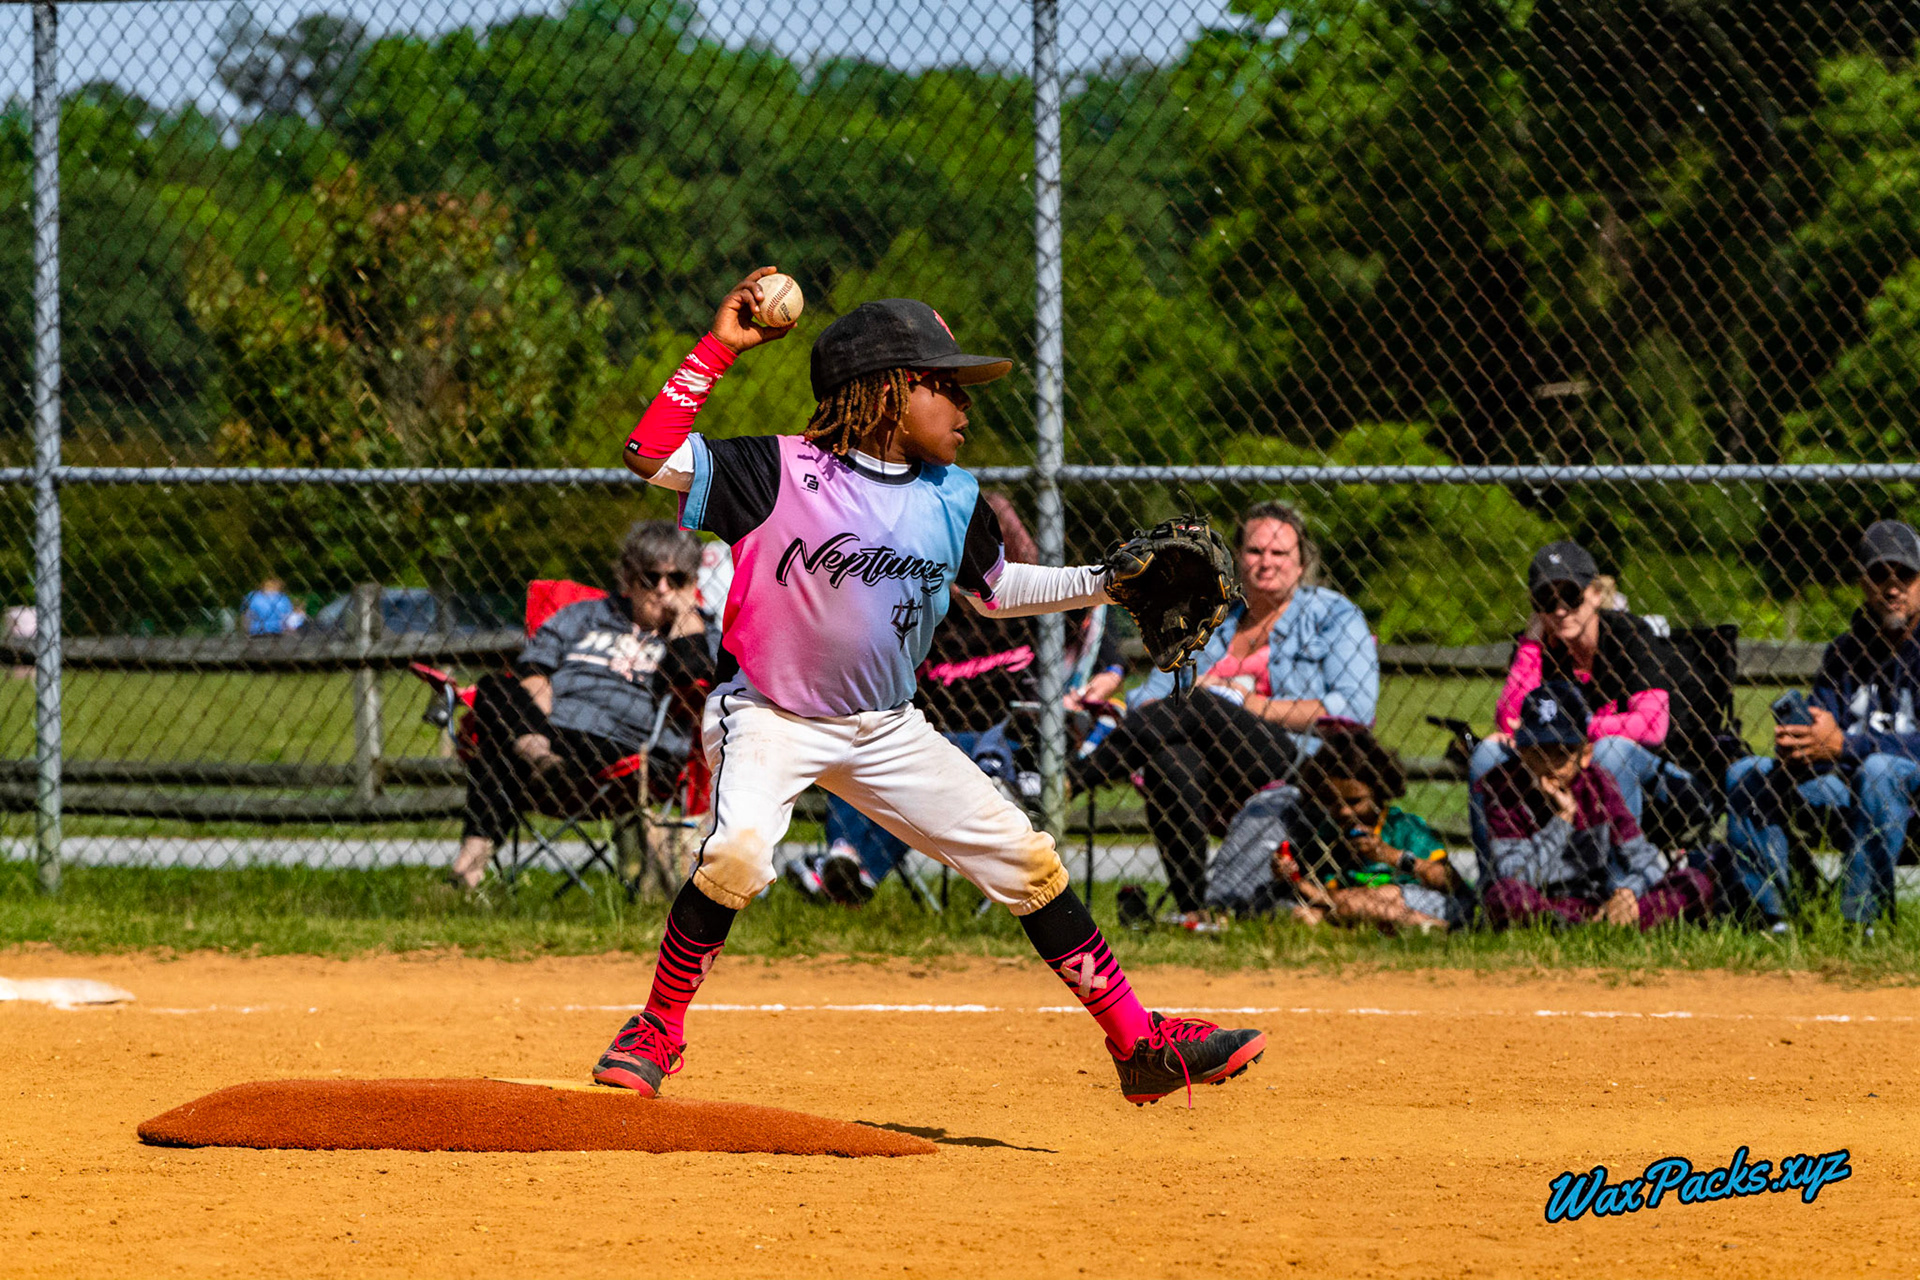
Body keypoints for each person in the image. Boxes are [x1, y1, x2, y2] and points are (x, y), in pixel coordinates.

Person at [598, 267, 1265, 1106]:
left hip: (884, 727)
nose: (966, 407)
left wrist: (1108, 581)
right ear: (887, 392)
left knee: (1026, 860)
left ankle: (1140, 1044)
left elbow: (994, 593)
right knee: (736, 852)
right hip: (769, 713)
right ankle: (657, 1026)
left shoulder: (953, 496)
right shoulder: (777, 470)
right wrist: (721, 348)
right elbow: (648, 453)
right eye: (946, 388)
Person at [1067, 501, 1378, 917]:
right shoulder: (1211, 618)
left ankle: (1069, 782)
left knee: (1198, 700)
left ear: (1302, 563)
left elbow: (1352, 710)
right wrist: (1207, 702)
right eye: (1254, 552)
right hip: (1217, 774)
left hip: (1300, 766)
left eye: (1279, 553)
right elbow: (1148, 700)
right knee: (1171, 759)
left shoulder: (1334, 616)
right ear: (1236, 559)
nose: (1265, 563)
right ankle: (1198, 911)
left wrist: (1248, 704)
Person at [786, 491, 1071, 906]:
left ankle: (849, 869)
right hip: (925, 731)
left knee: (919, 777)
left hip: (999, 742)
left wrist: (1001, 542)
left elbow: (1094, 636)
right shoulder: (926, 612)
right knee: (864, 748)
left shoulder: (1027, 615)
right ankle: (847, 860)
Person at [448, 521, 717, 891]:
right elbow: (533, 670)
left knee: (500, 750)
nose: (662, 590)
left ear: (692, 583)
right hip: (552, 735)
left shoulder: (702, 636)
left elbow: (696, 682)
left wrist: (686, 616)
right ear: (627, 578)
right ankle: (535, 755)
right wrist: (536, 724)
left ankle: (468, 868)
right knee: (495, 687)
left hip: (627, 751)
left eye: (677, 579)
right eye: (650, 578)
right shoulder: (585, 616)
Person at [1725, 520, 1920, 933]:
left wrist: (1845, 745)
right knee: (1745, 775)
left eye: (1905, 575)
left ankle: (1862, 926)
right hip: (1846, 788)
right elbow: (1823, 734)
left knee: (1881, 770)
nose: (1892, 587)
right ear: (1862, 584)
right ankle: (1778, 919)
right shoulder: (1843, 653)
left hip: (1908, 792)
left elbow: (1846, 746)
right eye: (1878, 575)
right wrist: (1801, 744)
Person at [1469, 541, 1686, 854]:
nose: (1559, 610)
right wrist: (1530, 645)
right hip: (1556, 759)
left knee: (1610, 752)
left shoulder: (1629, 635)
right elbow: (1508, 721)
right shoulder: (1538, 646)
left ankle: (1619, 886)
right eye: (1546, 598)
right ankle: (1501, 884)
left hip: (1645, 765)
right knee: (1488, 753)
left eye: (1571, 595)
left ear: (1596, 595)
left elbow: (1652, 726)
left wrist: (1576, 729)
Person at [1477, 683, 1713, 931]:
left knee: (1694, 883)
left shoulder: (1598, 785)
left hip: (1594, 903)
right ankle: (1573, 927)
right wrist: (1563, 821)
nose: (1550, 765)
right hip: (1540, 901)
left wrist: (1628, 892)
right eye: (1537, 753)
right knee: (1504, 895)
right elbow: (1514, 875)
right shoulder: (1503, 788)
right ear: (1521, 752)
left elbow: (1645, 862)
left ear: (1586, 753)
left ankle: (1606, 924)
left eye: (1561, 753)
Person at [1205, 722, 1470, 931]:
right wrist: (1292, 878)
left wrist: (1390, 856)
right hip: (1348, 905)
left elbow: (1449, 880)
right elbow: (1323, 895)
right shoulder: (1328, 835)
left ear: (1379, 792)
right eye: (1332, 801)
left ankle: (1438, 926)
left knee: (1368, 898)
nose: (1343, 811)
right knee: (1306, 915)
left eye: (1355, 802)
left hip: (1420, 899)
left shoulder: (1403, 826)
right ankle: (1400, 930)